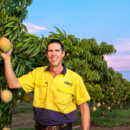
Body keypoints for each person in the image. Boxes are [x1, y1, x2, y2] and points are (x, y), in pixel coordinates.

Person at [1, 39, 91, 130]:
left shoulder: (74, 78)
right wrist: (7, 58)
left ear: (63, 53)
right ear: (47, 54)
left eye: (57, 50)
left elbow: (84, 107)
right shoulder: (37, 73)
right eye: (50, 51)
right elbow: (13, 84)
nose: (53, 54)